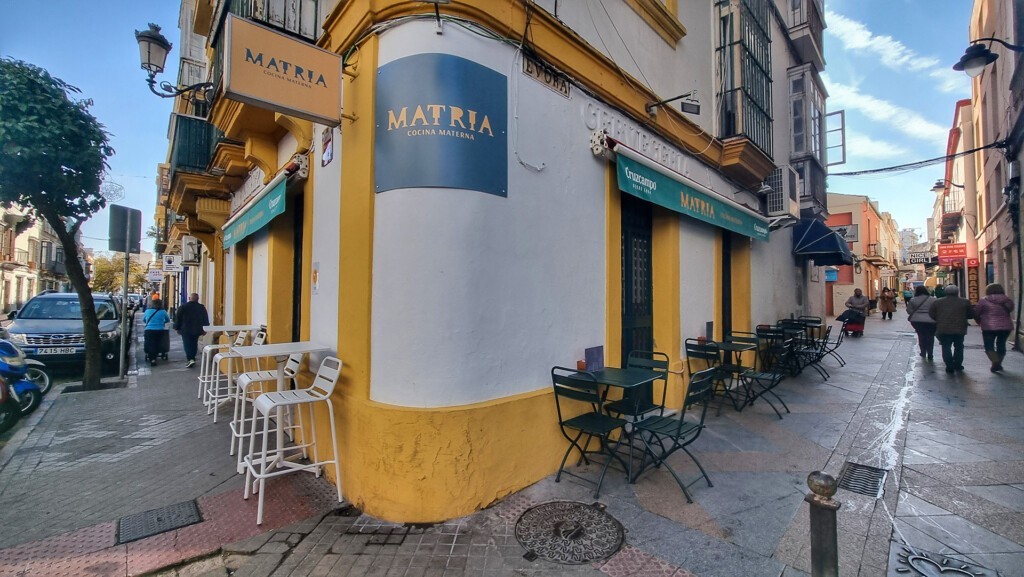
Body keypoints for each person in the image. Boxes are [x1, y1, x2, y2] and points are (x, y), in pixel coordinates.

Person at [928, 285, 975, 374]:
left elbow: (931, 314)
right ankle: (958, 364)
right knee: (959, 346)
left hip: (943, 328)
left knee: (946, 346)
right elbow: (970, 315)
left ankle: (949, 365)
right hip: (960, 328)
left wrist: (939, 319)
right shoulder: (965, 302)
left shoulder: (938, 302)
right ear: (957, 292)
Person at [973, 283, 1015, 373]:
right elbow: (1011, 309)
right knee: (1001, 344)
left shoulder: (983, 301)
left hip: (988, 327)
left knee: (989, 346)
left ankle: (995, 362)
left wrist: (979, 321)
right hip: (1005, 326)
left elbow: (976, 313)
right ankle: (998, 362)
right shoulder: (1007, 300)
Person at [173, 293, 210, 369]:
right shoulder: (201, 307)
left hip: (185, 329)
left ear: (189, 298)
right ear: (197, 299)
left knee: (187, 344)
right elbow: (205, 318)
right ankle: (192, 357)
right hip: (197, 329)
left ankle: (190, 359)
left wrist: (176, 328)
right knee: (194, 343)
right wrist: (205, 329)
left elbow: (178, 318)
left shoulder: (183, 307)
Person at [906, 285, 937, 360]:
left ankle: (923, 351)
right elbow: (937, 310)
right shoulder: (933, 300)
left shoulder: (913, 300)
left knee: (921, 336)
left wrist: (916, 313)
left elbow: (909, 310)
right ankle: (930, 353)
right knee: (930, 336)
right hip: (931, 321)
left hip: (917, 321)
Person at [143, 299, 171, 367]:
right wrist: (162, 322)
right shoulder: (163, 311)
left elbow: (144, 320)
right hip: (160, 330)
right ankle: (158, 354)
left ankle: (152, 359)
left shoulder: (147, 311)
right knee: (158, 343)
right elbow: (167, 320)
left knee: (150, 344)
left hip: (149, 330)